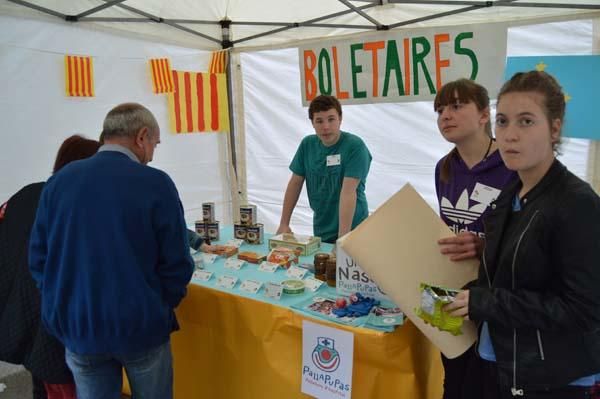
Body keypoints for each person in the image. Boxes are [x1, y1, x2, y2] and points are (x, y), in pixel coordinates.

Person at [445, 71, 600, 398]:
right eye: (502, 122)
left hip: (549, 376)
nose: (509, 135)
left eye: (526, 122)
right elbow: (514, 272)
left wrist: (485, 301)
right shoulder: (510, 191)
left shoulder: (578, 203)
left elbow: (583, 309)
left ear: (555, 128)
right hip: (502, 359)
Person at [29, 103, 195, 399]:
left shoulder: (58, 182)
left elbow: (39, 259)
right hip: (140, 326)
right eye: (155, 143)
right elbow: (178, 262)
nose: (153, 153)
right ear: (142, 136)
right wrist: (160, 304)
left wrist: (61, 305)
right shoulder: (155, 183)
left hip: (79, 326)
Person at [432, 78, 517, 399]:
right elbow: (446, 230)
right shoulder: (444, 167)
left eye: (456, 106)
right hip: (449, 291)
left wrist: (486, 247)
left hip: (495, 295)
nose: (445, 116)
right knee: (452, 374)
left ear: (484, 115)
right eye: (440, 110)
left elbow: (525, 239)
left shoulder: (511, 165)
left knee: (485, 382)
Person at [0, 135, 100, 399]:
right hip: (56, 330)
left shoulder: (26, 195)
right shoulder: (76, 207)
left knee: (41, 384)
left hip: (22, 317)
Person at [276, 95, 372, 243]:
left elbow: (348, 193)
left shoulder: (355, 147)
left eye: (331, 119)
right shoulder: (307, 145)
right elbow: (295, 183)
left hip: (354, 230)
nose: (326, 126)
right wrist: (284, 223)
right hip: (323, 228)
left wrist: (343, 239)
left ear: (340, 119)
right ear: (312, 123)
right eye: (319, 121)